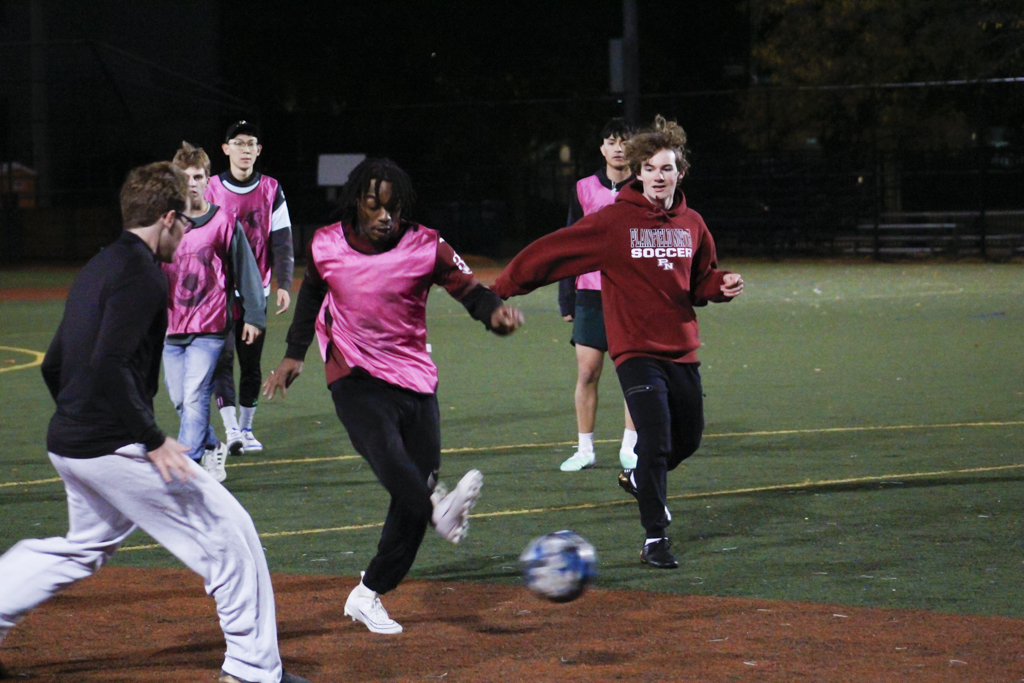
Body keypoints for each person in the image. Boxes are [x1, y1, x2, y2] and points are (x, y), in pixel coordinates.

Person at [0, 162, 310, 683]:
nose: (187, 231)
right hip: (113, 446)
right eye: (184, 221)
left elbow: (57, 364)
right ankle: (252, 671)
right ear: (166, 219)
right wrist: (147, 437)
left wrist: (81, 422)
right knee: (230, 536)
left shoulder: (97, 265)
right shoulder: (143, 275)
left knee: (82, 548)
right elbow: (109, 364)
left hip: (73, 442)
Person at [262, 158, 523, 634]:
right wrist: (294, 354)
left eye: (394, 208)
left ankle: (368, 593)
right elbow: (312, 295)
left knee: (410, 501)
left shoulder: (427, 244)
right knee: (389, 458)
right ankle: (436, 508)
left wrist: (494, 315)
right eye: (374, 205)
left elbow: (470, 290)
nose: (385, 216)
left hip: (415, 378)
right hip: (354, 375)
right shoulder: (326, 243)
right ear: (356, 202)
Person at [493, 116, 744, 569]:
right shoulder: (614, 221)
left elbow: (700, 279)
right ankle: (655, 538)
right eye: (650, 168)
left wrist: (719, 284)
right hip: (634, 349)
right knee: (656, 436)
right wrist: (501, 288)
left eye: (667, 169)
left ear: (679, 173)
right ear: (639, 171)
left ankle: (638, 478)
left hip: (681, 347)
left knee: (688, 439)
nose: (658, 176)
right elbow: (555, 250)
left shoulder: (693, 224)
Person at [163, 141, 266, 483]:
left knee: (194, 396)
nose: (191, 182)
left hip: (210, 327)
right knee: (180, 400)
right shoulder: (165, 224)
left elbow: (246, 270)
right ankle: (211, 445)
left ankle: (187, 470)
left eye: (197, 176)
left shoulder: (223, 222)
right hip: (171, 327)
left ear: (208, 179)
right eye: (184, 176)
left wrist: (253, 315)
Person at [557, 118, 640, 472]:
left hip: (632, 295)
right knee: (588, 372)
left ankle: (631, 447)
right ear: (602, 148)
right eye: (611, 141)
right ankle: (585, 449)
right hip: (590, 294)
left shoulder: (645, 186)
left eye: (624, 141)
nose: (618, 147)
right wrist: (566, 295)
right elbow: (569, 242)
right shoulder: (583, 188)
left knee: (632, 374)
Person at [207, 120, 294, 455]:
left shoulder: (271, 189)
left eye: (251, 144)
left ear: (258, 150)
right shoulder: (211, 187)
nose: (245, 150)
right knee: (222, 359)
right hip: (218, 293)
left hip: (256, 293)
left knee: (251, 364)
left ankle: (246, 427)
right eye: (238, 143)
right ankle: (231, 429)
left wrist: (283, 284)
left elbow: (282, 241)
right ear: (226, 148)